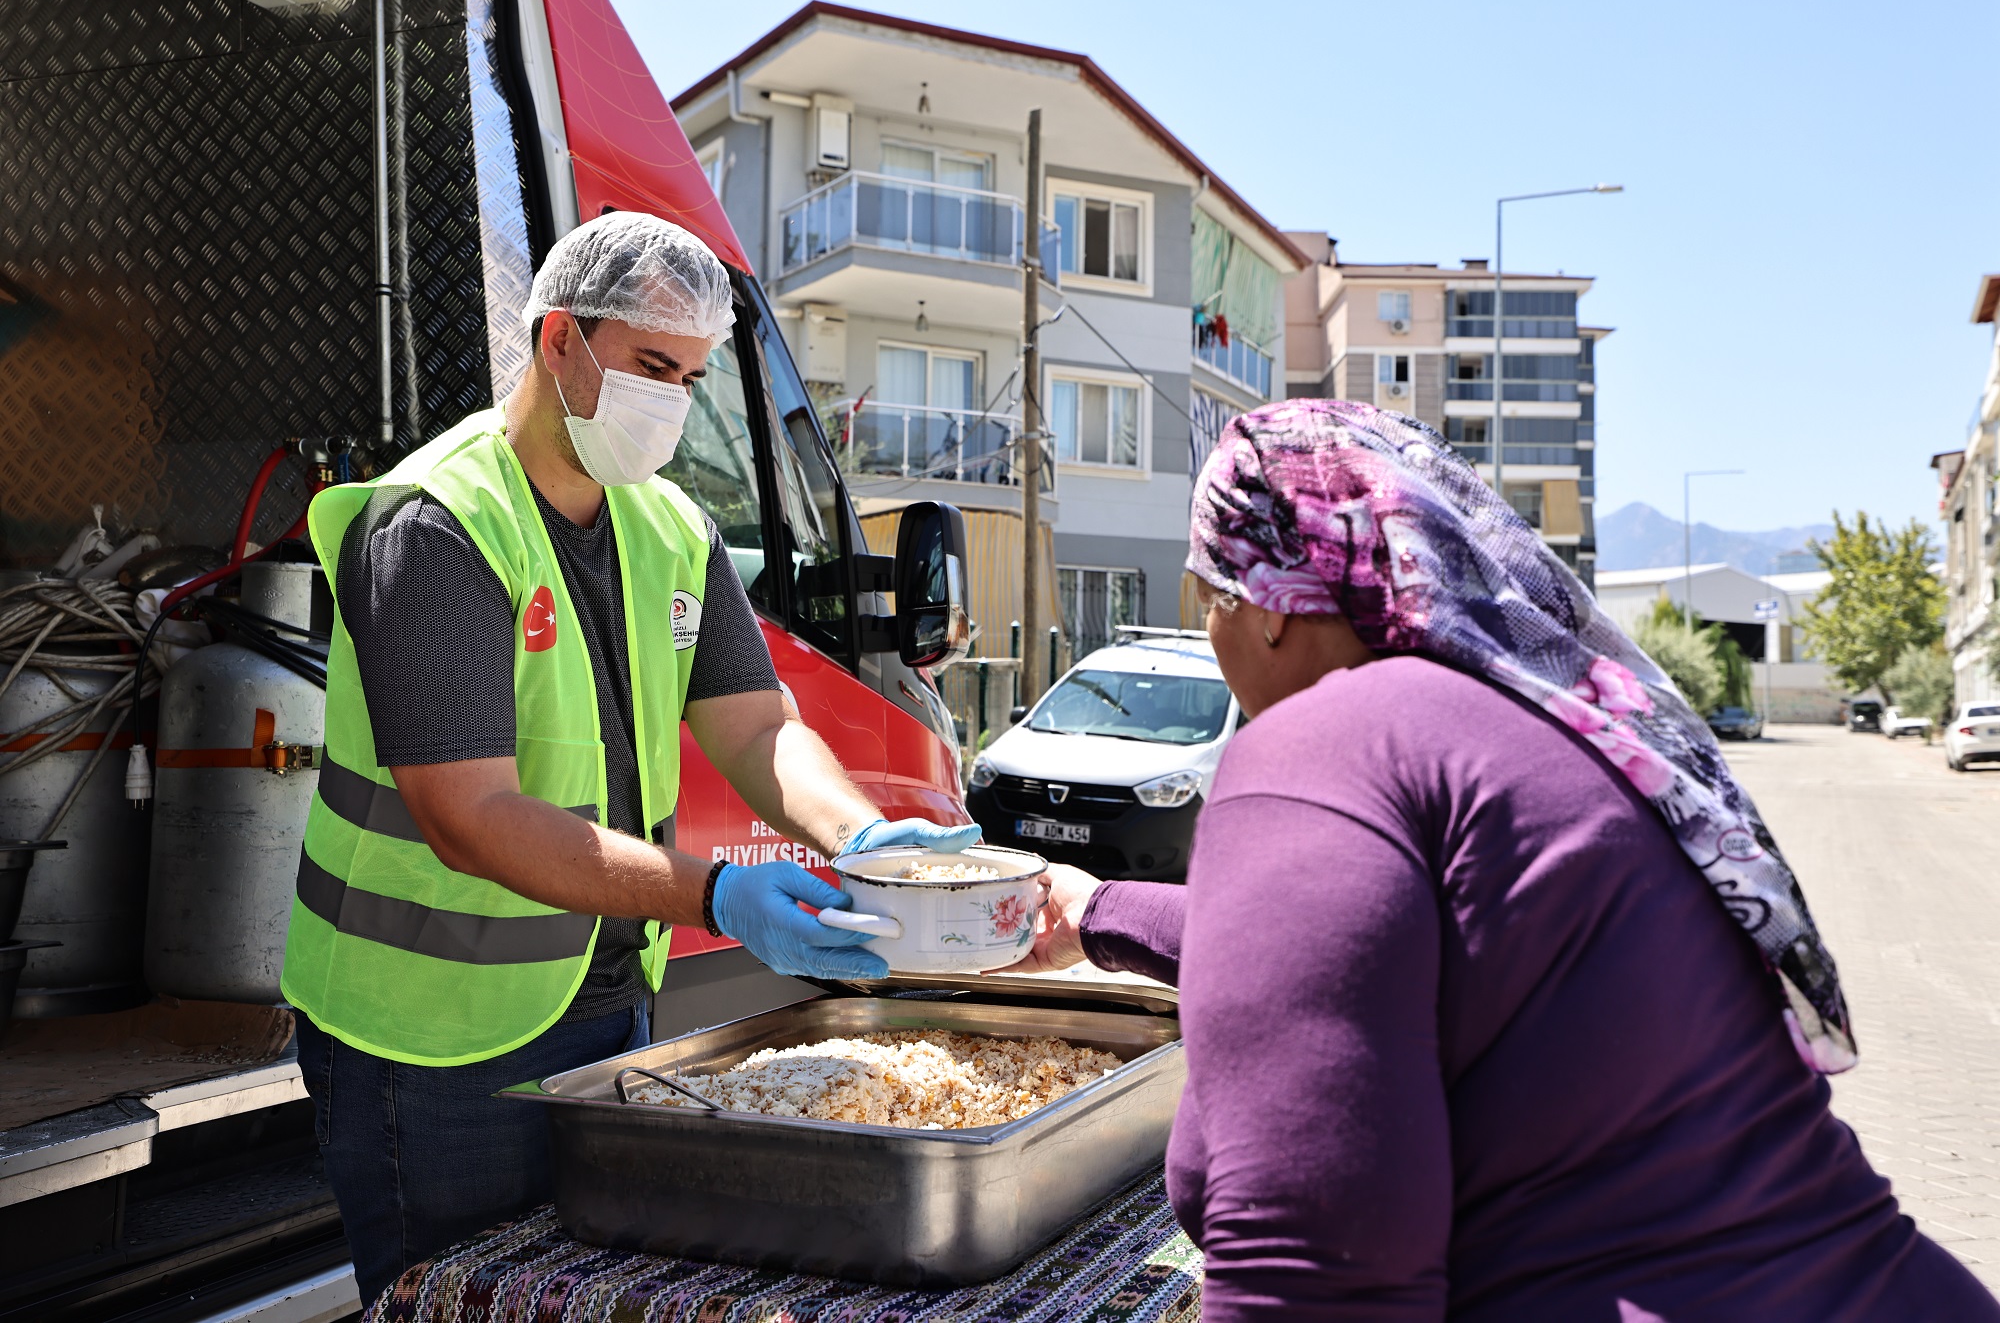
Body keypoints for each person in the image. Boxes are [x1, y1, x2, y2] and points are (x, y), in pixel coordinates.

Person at [1012, 400, 1998, 1321]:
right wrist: (1095, 914)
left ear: (1265, 600)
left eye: (1204, 598)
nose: (1210, 631)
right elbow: (1373, 951)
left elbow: (1315, 1266)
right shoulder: (1562, 730)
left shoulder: (1317, 744)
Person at [280, 213, 973, 1303]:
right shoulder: (437, 521)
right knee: (447, 1300)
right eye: (653, 365)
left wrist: (865, 835)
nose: (675, 403)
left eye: (693, 376)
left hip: (603, 1002)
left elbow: (754, 726)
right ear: (558, 339)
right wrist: (716, 893)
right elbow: (470, 815)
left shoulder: (669, 526)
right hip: (428, 1035)